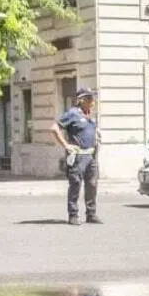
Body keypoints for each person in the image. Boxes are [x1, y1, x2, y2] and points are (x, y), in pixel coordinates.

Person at [54, 87, 101, 225]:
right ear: (81, 100)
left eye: (93, 98)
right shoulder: (72, 113)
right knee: (75, 184)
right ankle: (73, 215)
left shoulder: (90, 116)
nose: (93, 101)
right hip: (78, 157)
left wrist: (97, 137)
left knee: (92, 185)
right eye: (89, 98)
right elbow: (54, 128)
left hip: (91, 156)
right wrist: (66, 145)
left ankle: (91, 214)